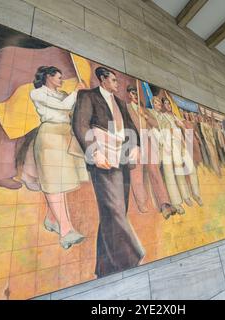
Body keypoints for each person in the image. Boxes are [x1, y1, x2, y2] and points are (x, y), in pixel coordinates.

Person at [72, 67, 145, 277]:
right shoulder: (87, 96)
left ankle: (105, 268)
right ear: (103, 79)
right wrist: (94, 154)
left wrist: (136, 147)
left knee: (113, 213)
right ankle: (133, 259)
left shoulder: (120, 103)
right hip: (102, 159)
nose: (117, 84)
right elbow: (81, 125)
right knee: (114, 210)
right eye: (113, 80)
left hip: (122, 159)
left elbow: (132, 129)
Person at [30, 66, 88, 249]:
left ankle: (52, 219)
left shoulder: (63, 93)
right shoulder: (37, 93)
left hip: (65, 135)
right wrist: (77, 91)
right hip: (49, 136)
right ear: (48, 77)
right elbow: (64, 106)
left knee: (60, 183)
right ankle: (66, 231)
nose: (61, 80)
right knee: (54, 183)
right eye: (58, 77)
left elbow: (74, 108)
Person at [126, 86, 176, 218]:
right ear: (129, 95)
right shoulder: (127, 108)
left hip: (147, 141)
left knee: (155, 171)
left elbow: (156, 124)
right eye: (133, 93)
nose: (136, 95)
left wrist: (146, 117)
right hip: (134, 143)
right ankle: (141, 203)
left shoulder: (144, 109)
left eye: (137, 93)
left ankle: (164, 204)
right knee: (137, 174)